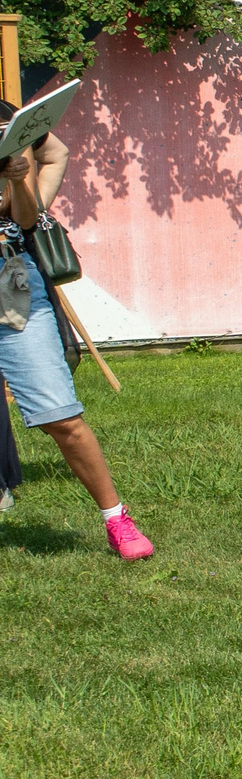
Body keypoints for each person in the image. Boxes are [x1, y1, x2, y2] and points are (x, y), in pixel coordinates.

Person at [0, 122, 152, 558]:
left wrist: (17, 178)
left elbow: (27, 219)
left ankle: (117, 520)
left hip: (10, 284)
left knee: (60, 416)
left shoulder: (7, 120)